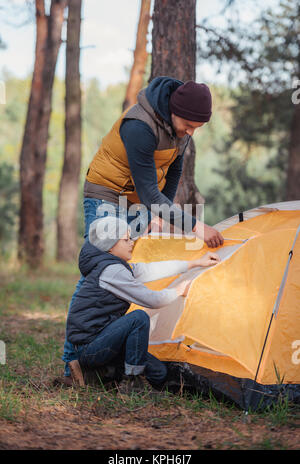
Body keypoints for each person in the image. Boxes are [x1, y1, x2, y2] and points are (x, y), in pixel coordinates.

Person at [61, 75, 224, 383]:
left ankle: (104, 360)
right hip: (107, 195)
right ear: (173, 110)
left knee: (130, 267)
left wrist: (156, 212)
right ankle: (72, 363)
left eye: (195, 129)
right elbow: (150, 191)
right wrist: (195, 226)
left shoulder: (182, 130)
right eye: (188, 125)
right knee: (98, 271)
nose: (190, 133)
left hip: (137, 199)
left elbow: (168, 182)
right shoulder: (139, 126)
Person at [66, 216, 220, 391]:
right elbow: (153, 300)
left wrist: (195, 263)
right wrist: (179, 291)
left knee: (159, 374)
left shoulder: (114, 266)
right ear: (110, 245)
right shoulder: (112, 271)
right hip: (91, 348)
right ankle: (131, 381)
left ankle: (96, 374)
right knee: (138, 317)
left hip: (104, 341)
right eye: (126, 239)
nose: (132, 242)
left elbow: (151, 270)